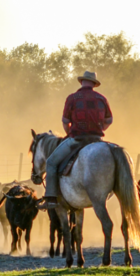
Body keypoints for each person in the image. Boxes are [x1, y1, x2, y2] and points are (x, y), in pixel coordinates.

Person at [37, 71, 113, 210]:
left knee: (51, 162)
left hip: (77, 138)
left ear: (82, 82)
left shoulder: (72, 98)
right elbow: (109, 120)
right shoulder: (101, 98)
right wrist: (100, 128)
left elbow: (66, 121)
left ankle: (51, 199)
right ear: (94, 84)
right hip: (96, 139)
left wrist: (69, 133)